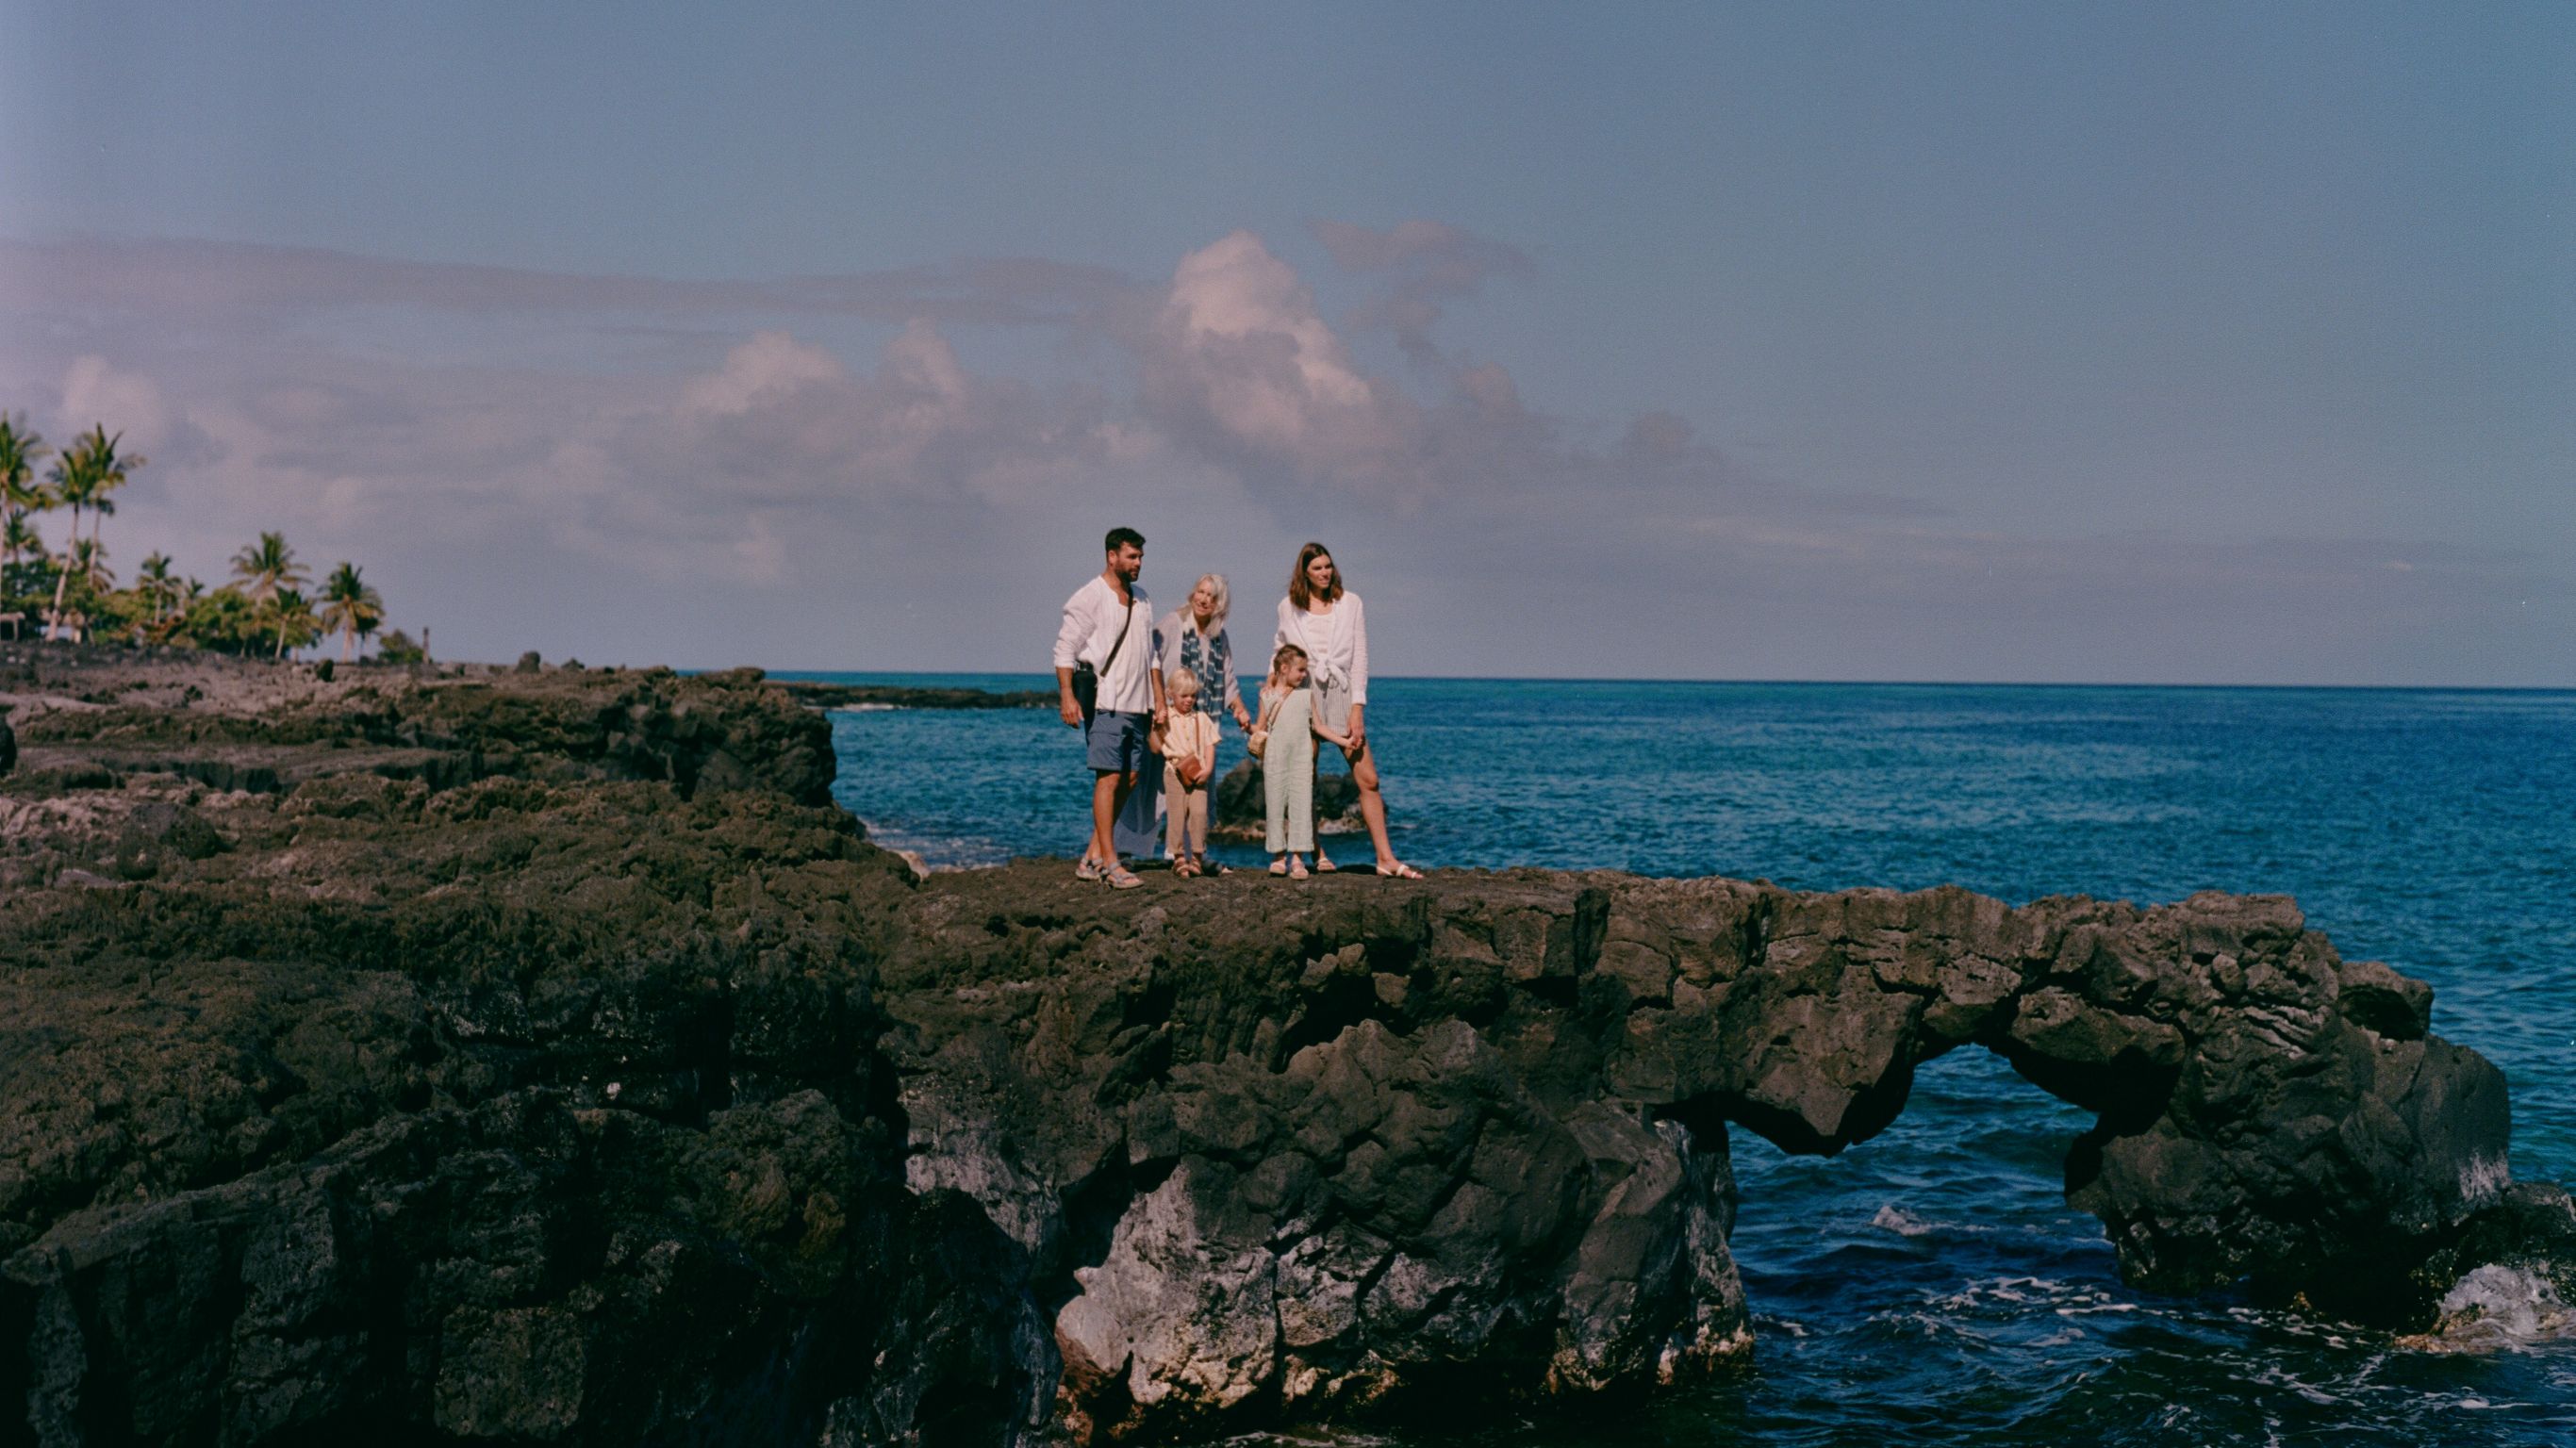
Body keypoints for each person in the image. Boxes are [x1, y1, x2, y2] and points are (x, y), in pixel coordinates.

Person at [1271, 542, 1421, 879]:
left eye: (1328, 566)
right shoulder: (1288, 607)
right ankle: (1316, 850)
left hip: (1340, 692)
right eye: (1317, 569)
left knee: (1368, 777)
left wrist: (1357, 709)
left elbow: (1360, 659)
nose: (1325, 573)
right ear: (1304, 574)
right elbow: (1279, 653)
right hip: (1302, 693)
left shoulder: (1350, 603)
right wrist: (1271, 699)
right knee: (1302, 779)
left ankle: (1385, 858)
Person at [1115, 571, 1254, 859]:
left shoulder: (1219, 637)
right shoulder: (1172, 624)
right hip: (1166, 721)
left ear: (1220, 605)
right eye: (1201, 592)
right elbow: (1147, 662)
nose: (1204, 600)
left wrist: (1239, 709)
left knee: (1196, 790)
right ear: (1193, 593)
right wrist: (1153, 706)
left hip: (1200, 728)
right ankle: (1127, 850)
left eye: (1211, 597)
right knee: (1150, 788)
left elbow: (1227, 681)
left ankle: (1188, 854)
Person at [1054, 527, 1164, 888]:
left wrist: (1159, 702)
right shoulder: (1090, 596)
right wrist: (1068, 696)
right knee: (1109, 777)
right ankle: (1110, 861)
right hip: (1106, 701)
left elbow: (1153, 657)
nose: (1138, 564)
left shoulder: (1143, 599)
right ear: (1111, 556)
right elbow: (1065, 649)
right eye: (1132, 557)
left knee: (1130, 779)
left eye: (1141, 557)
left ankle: (1091, 856)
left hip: (1139, 706)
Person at [1256, 644, 1349, 879]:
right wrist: (1247, 727)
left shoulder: (1307, 696)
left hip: (1301, 759)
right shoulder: (1266, 696)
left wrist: (1344, 742)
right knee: (1275, 805)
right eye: (1300, 670)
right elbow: (1259, 727)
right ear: (1284, 668)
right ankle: (1278, 857)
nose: (1304, 674)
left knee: (1301, 806)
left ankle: (1297, 859)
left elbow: (1319, 727)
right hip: (1275, 758)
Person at [1153, 668, 1221, 877]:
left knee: (1199, 813)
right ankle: (1179, 857)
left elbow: (1211, 745)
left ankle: (1198, 856)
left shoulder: (1202, 718)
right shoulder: (1165, 719)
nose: (1189, 700)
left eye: (1193, 696)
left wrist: (1208, 769)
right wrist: (1155, 727)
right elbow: (1155, 748)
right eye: (1184, 696)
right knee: (1176, 814)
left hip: (1198, 771)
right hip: (1174, 771)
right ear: (1170, 694)